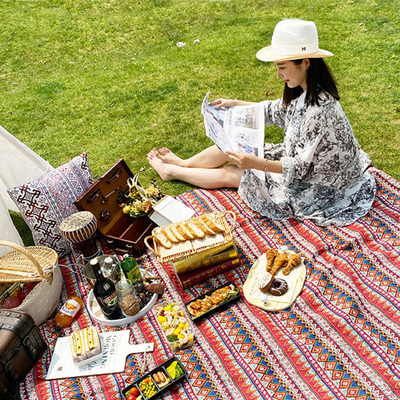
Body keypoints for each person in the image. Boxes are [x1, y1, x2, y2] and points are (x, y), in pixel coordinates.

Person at [147, 19, 376, 226]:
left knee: (235, 173)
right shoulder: (309, 91)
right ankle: (184, 163)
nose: (278, 75)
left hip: (321, 188)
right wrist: (234, 103)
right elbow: (275, 111)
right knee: (231, 149)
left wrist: (258, 163)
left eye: (282, 67)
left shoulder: (320, 112)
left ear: (305, 62)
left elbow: (299, 169)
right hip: (304, 163)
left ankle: (171, 172)